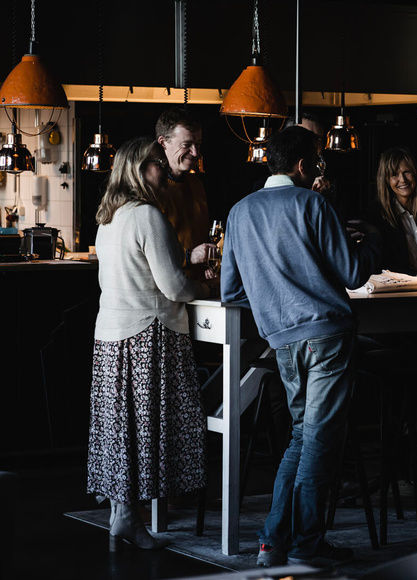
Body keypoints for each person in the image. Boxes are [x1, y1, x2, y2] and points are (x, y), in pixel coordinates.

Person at [220, 126, 381, 567]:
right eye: (317, 162)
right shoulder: (313, 204)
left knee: (302, 437)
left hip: (282, 341)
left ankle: (273, 542)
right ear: (304, 164)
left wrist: (274, 298)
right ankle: (305, 544)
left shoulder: (239, 212)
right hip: (327, 335)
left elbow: (231, 292)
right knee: (318, 442)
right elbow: (353, 274)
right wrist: (372, 243)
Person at [86, 137, 212, 549]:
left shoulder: (109, 216)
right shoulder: (147, 215)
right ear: (139, 171)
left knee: (121, 431)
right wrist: (207, 288)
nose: (165, 169)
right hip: (147, 335)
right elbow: (173, 286)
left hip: (111, 336)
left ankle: (122, 516)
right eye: (158, 162)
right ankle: (127, 519)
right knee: (147, 431)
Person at [369, 147, 417, 285]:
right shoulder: (377, 216)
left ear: (415, 174)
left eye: (407, 172)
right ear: (386, 180)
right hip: (400, 292)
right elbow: (382, 266)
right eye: (394, 175)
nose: (402, 180)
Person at [155, 108, 214, 276]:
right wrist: (188, 257)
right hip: (167, 287)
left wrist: (208, 265)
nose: (195, 153)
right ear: (163, 143)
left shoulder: (196, 184)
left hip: (199, 286)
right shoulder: (150, 190)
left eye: (198, 145)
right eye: (186, 145)